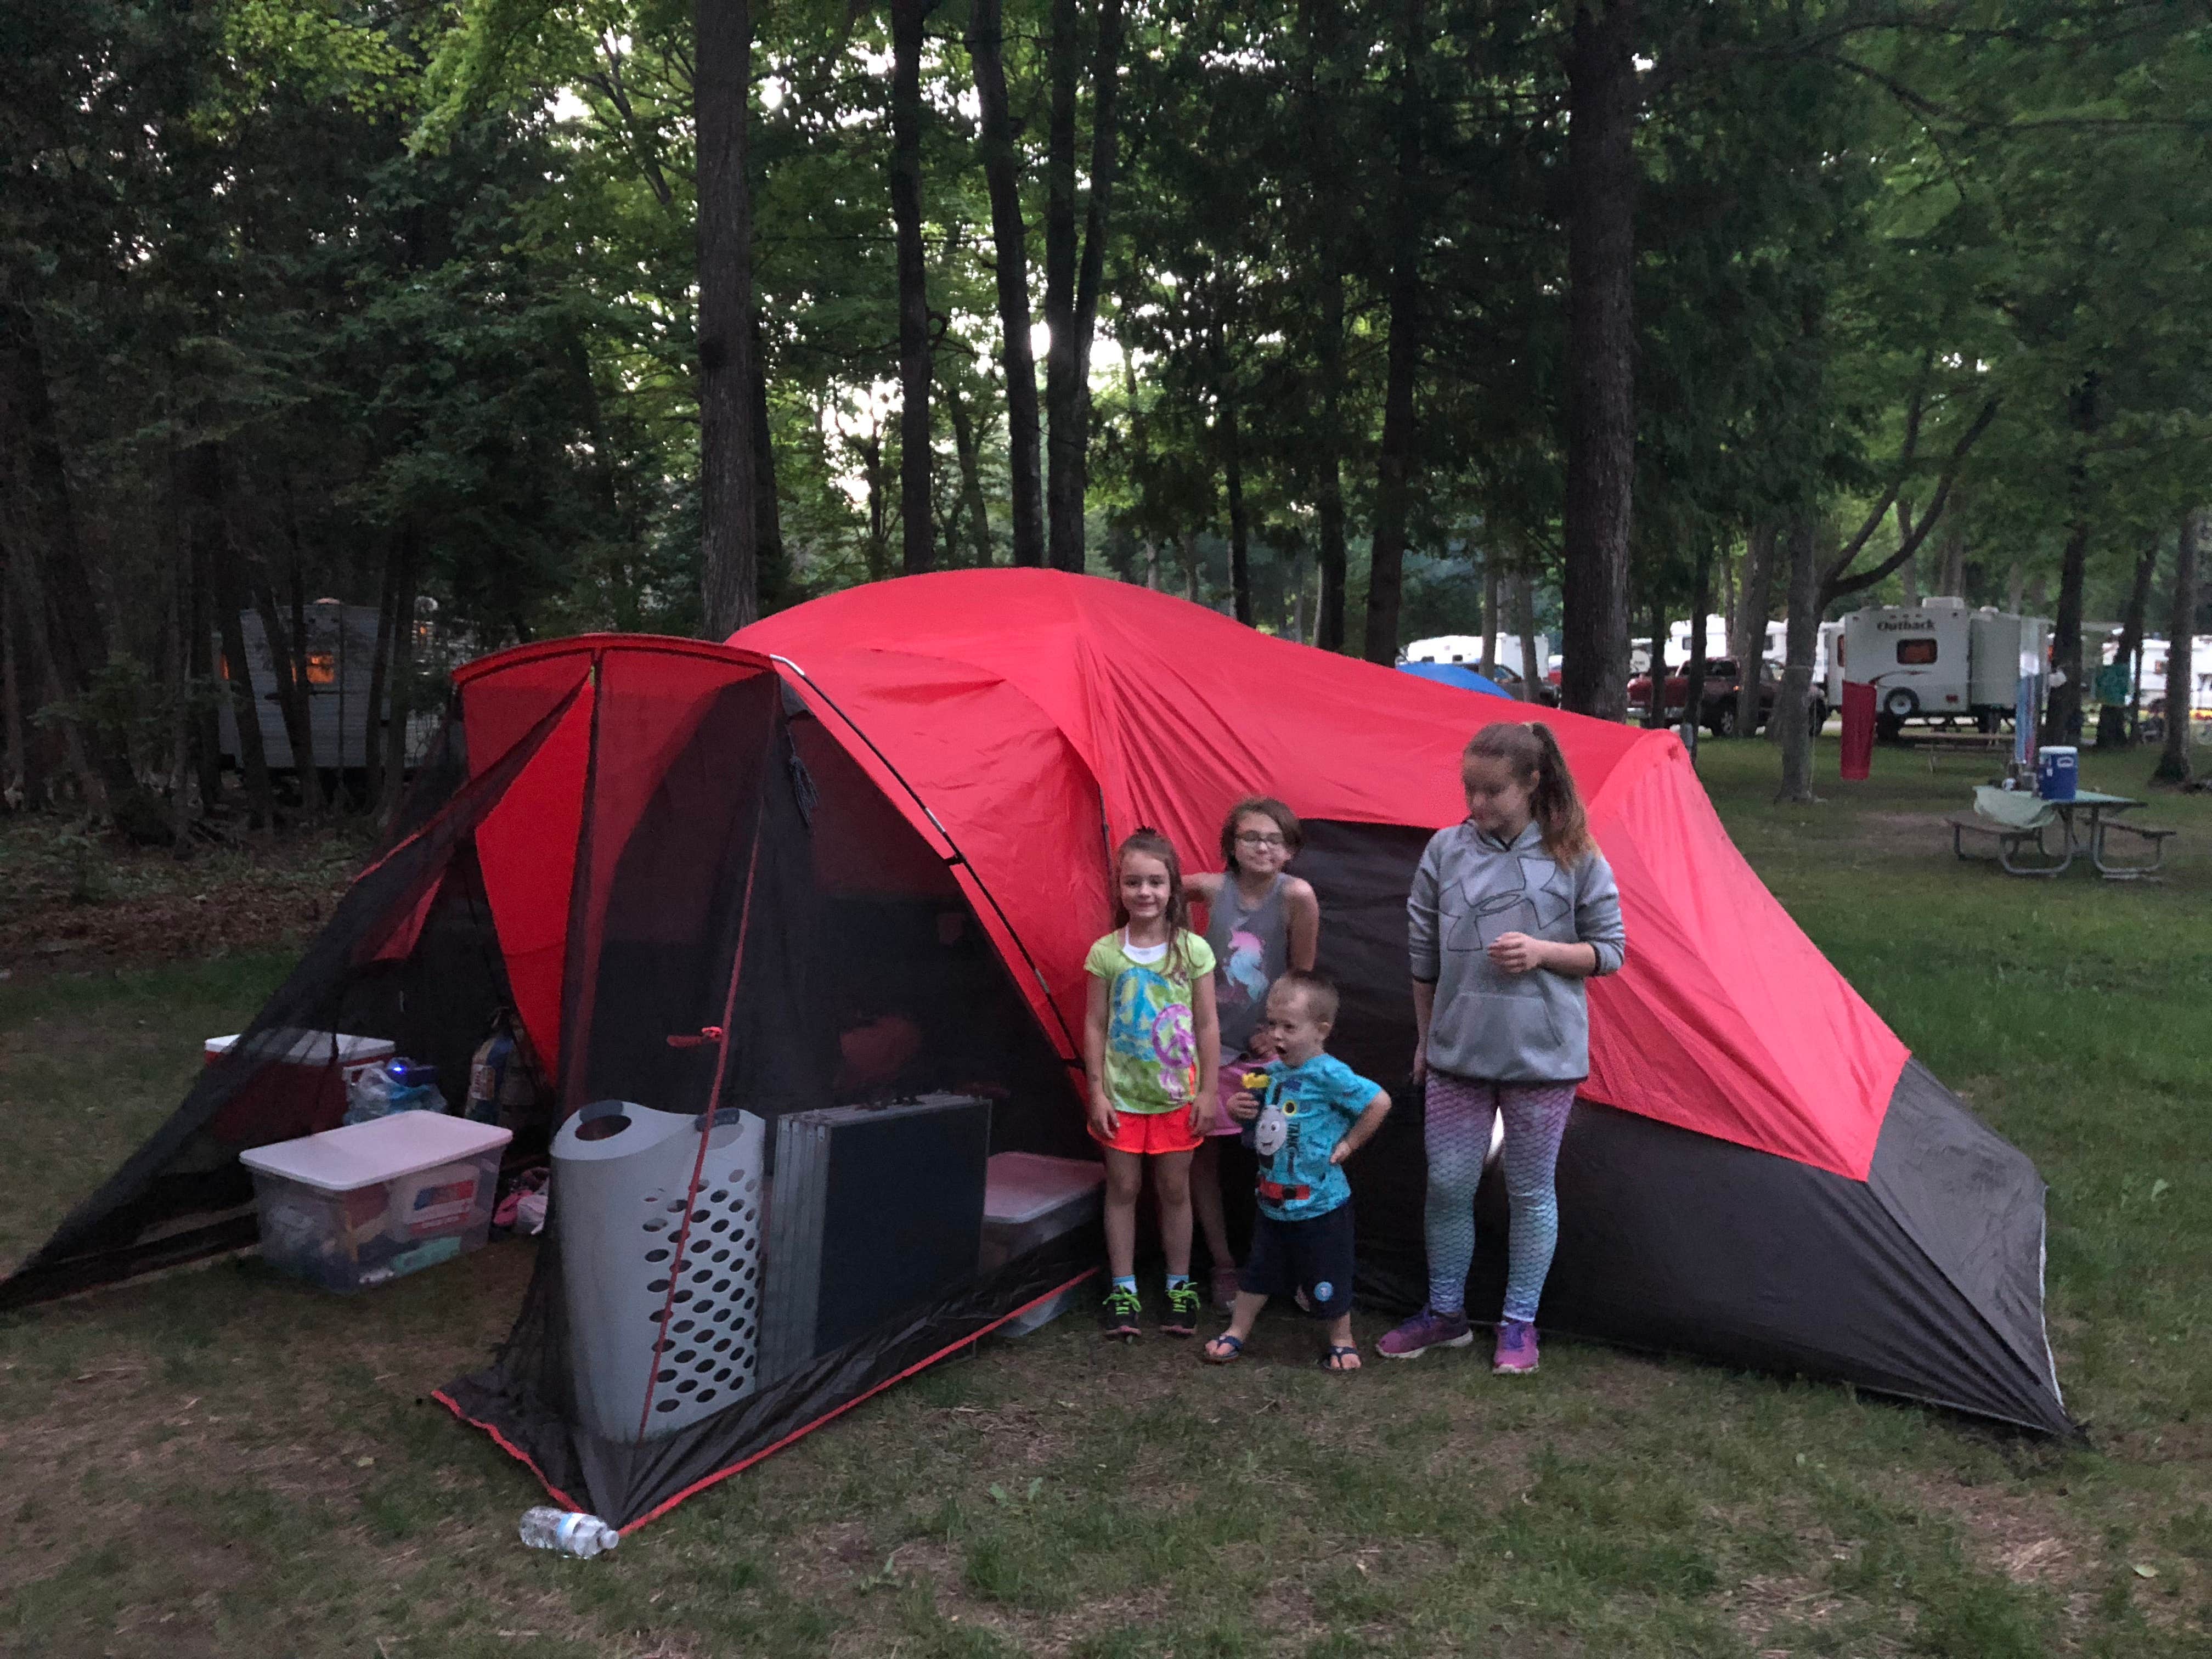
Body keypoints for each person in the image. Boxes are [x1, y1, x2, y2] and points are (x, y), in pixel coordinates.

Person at [1376, 721, 1626, 1374]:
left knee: (1530, 1191)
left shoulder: (1576, 854)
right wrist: (1426, 1039)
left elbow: (1611, 952)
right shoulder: (1444, 851)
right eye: (1469, 789)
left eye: (1493, 791)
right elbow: (1423, 955)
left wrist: (1543, 953)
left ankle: (1519, 1325)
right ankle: (1446, 1314)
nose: (1477, 804)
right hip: (1458, 1055)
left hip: (1542, 1058)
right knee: (1447, 1186)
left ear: (1533, 783)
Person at [1201, 971, 1390, 1372]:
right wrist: (1238, 1110)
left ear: (1321, 1030)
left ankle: (1341, 1338)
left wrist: (1350, 1144)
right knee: (1257, 1271)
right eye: (1272, 1024)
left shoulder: (1329, 1074)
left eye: (1289, 1026)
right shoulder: (1271, 1073)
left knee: (1329, 1273)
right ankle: (1237, 1331)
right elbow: (1260, 1124)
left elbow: (1379, 1102)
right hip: (1271, 1200)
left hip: (1322, 1204)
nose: (1278, 1035)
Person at [1084, 828, 1221, 1339]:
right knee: (1123, 1187)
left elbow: (1207, 1024)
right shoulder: (1105, 953)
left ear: (1173, 888)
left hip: (1177, 1097)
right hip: (1121, 1097)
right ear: (1120, 889)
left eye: (1155, 882)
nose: (1145, 892)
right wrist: (1097, 1090)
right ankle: (1123, 1289)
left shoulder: (1193, 951)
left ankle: (1179, 1286)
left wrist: (1207, 1092)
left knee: (1174, 1188)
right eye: (1133, 882)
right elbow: (1095, 1023)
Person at [1187, 797, 1320, 1310]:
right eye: (1251, 838)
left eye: (1274, 839)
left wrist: (1278, 1032)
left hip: (1266, 1050)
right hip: (1209, 1047)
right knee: (1204, 1156)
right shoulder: (1209, 889)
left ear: (1289, 850)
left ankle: (1300, 1266)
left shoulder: (1297, 897)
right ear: (1233, 845)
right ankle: (1223, 1264)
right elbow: (1149, 893)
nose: (1263, 848)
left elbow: (1302, 977)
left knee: (1286, 1155)